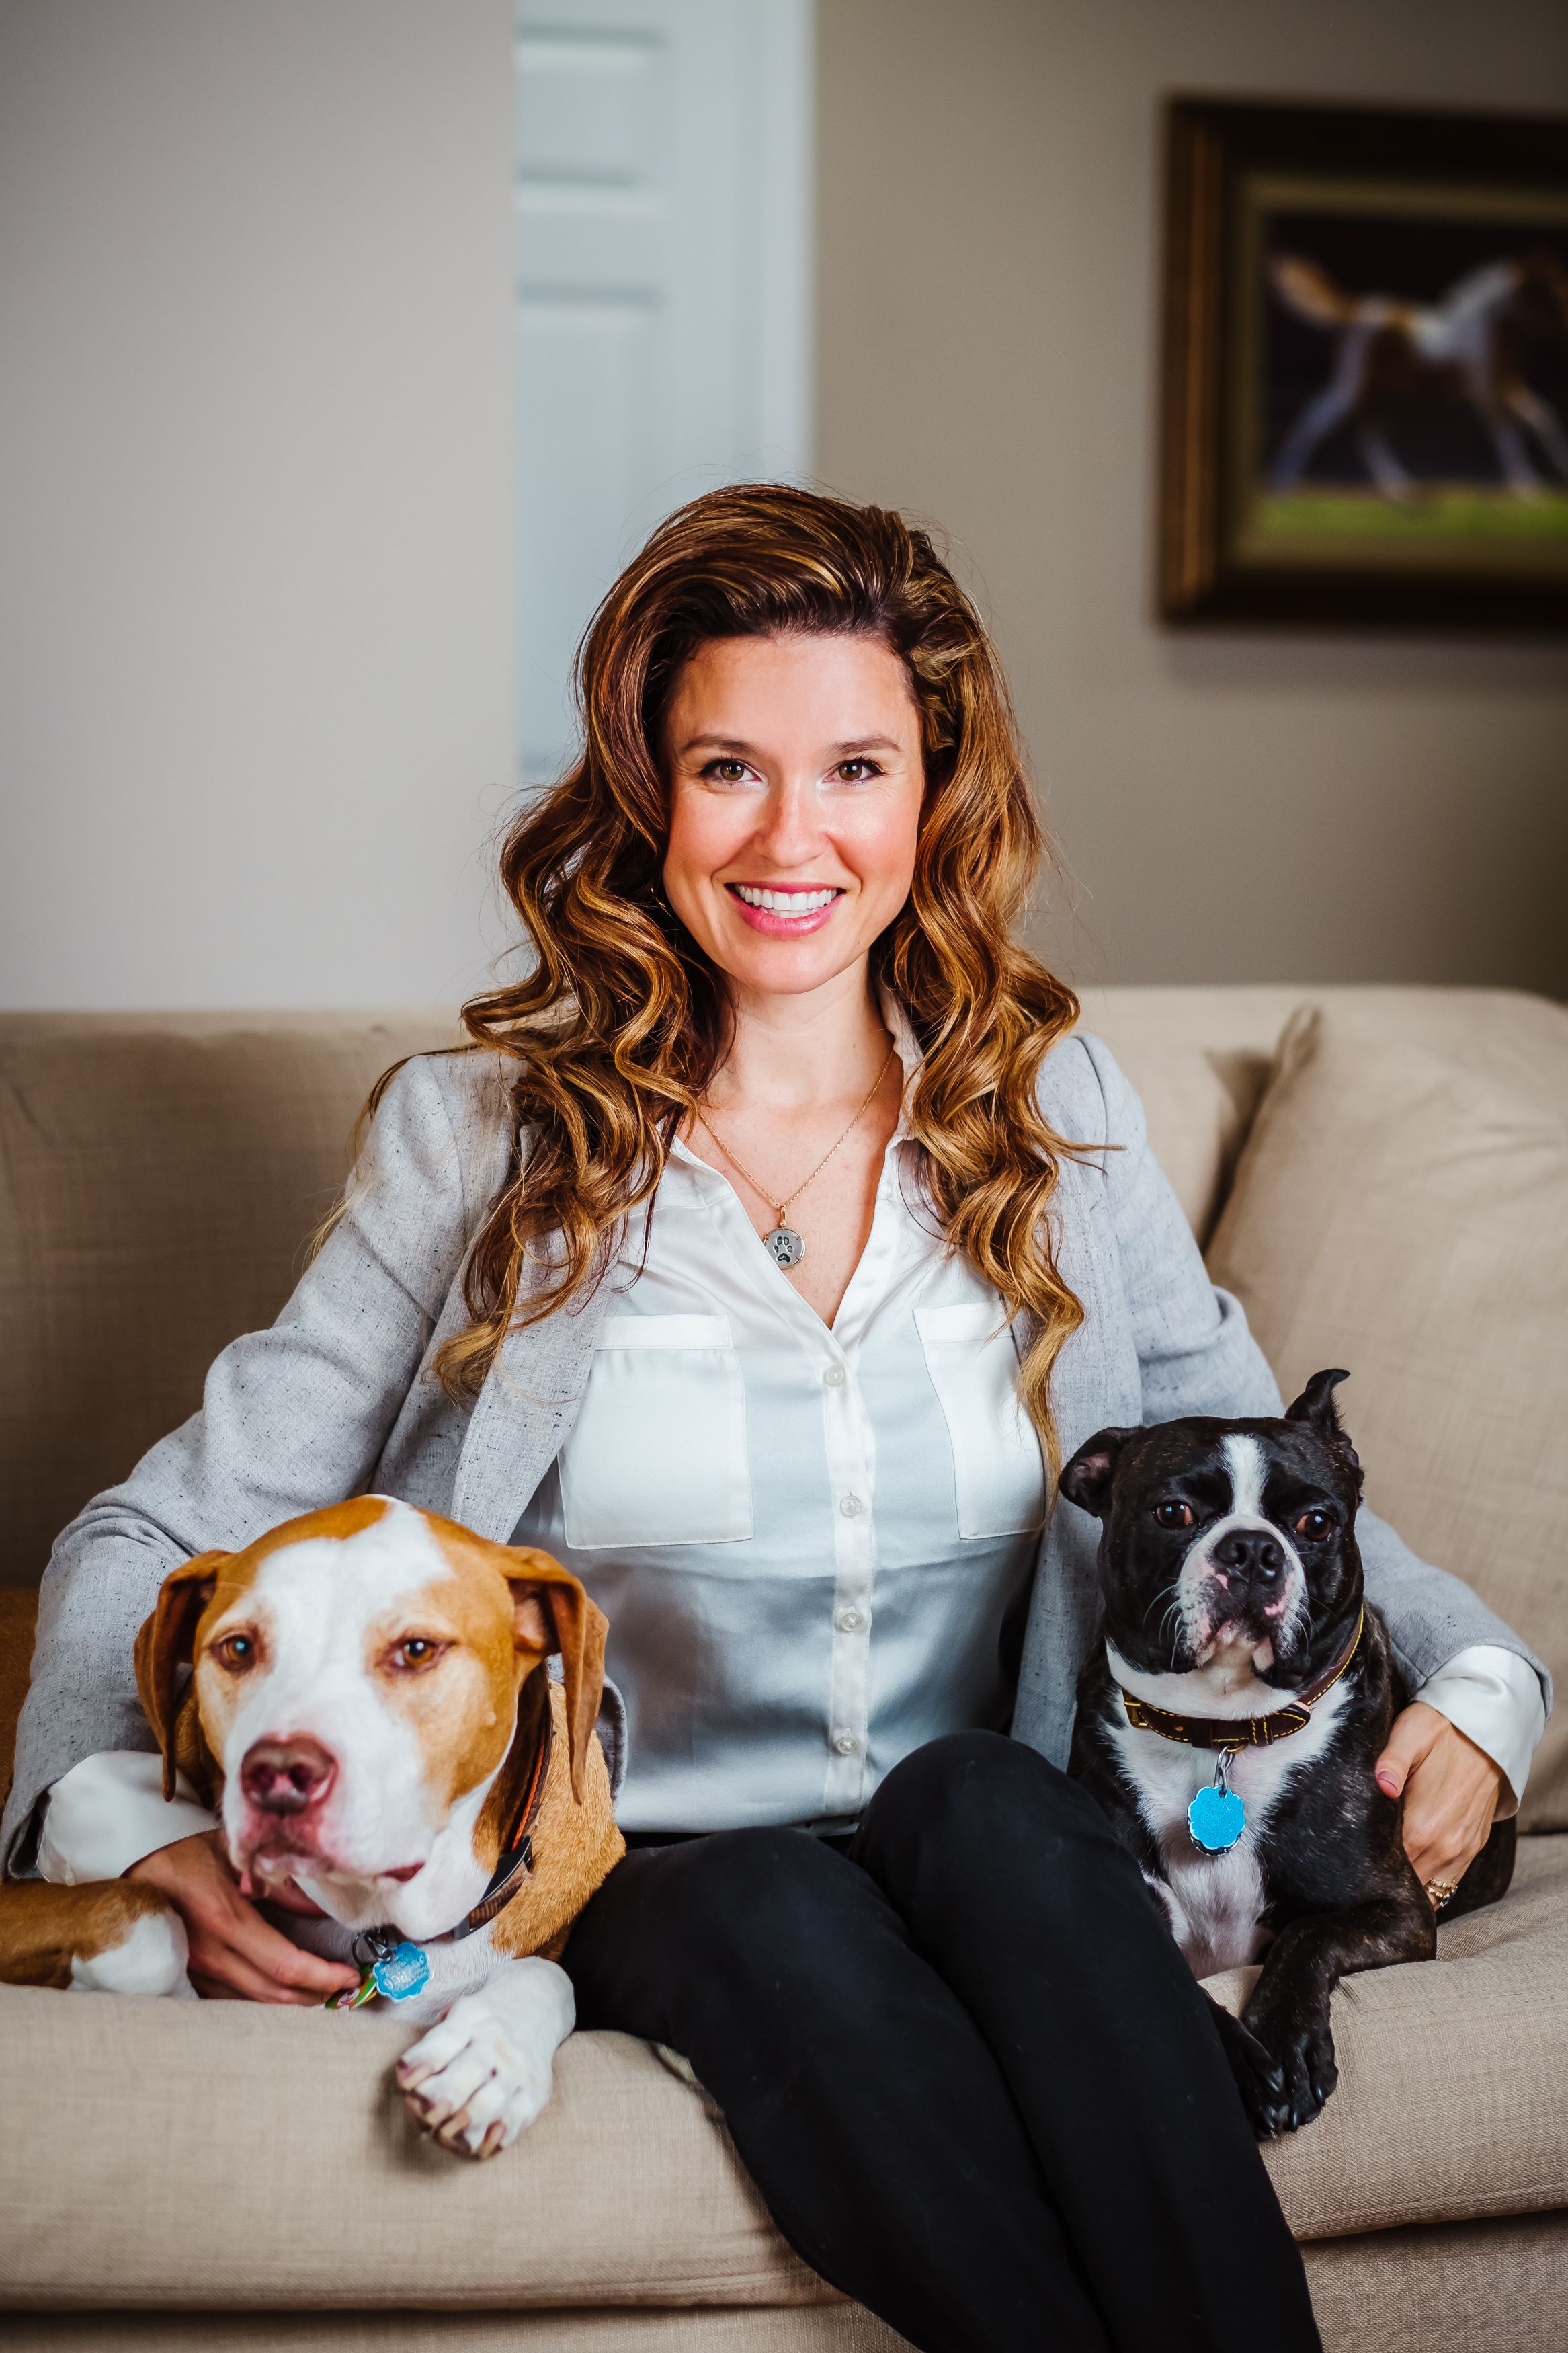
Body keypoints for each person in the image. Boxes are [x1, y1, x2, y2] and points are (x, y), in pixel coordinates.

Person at [5, 487, 1546, 2353]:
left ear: (933, 799)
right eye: (729, 765)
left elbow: (1261, 1472)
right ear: (650, 793)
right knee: (764, 1912)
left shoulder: (1056, 1119)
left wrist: (1477, 1684)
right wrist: (101, 1819)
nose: (791, 834)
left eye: (855, 768)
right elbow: (145, 1538)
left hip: (980, 1837)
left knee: (984, 1798)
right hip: (649, 1870)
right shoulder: (482, 1145)